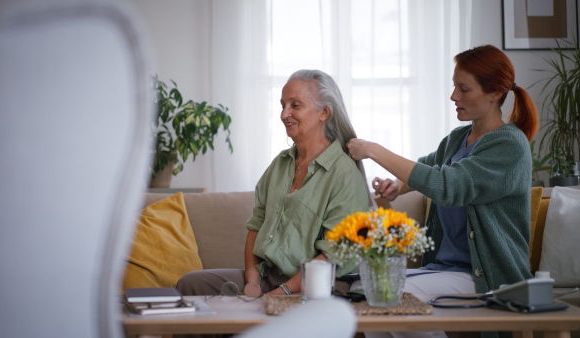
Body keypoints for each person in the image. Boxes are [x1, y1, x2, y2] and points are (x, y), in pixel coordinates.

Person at [348, 44, 538, 306]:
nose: (453, 96)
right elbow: (426, 167)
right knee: (361, 287)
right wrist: (397, 186)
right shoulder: (458, 139)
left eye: (464, 88)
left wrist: (373, 150)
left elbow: (445, 185)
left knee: (388, 292)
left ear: (494, 92)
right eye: (454, 86)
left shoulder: (509, 146)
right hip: (443, 270)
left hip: (487, 277)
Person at [177, 69, 371, 298]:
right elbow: (256, 225)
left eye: (295, 105)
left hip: (319, 286)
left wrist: (282, 293)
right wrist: (253, 282)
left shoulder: (344, 173)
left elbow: (335, 253)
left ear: (324, 112)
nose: (284, 114)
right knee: (191, 284)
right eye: (283, 105)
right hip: (269, 278)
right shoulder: (280, 164)